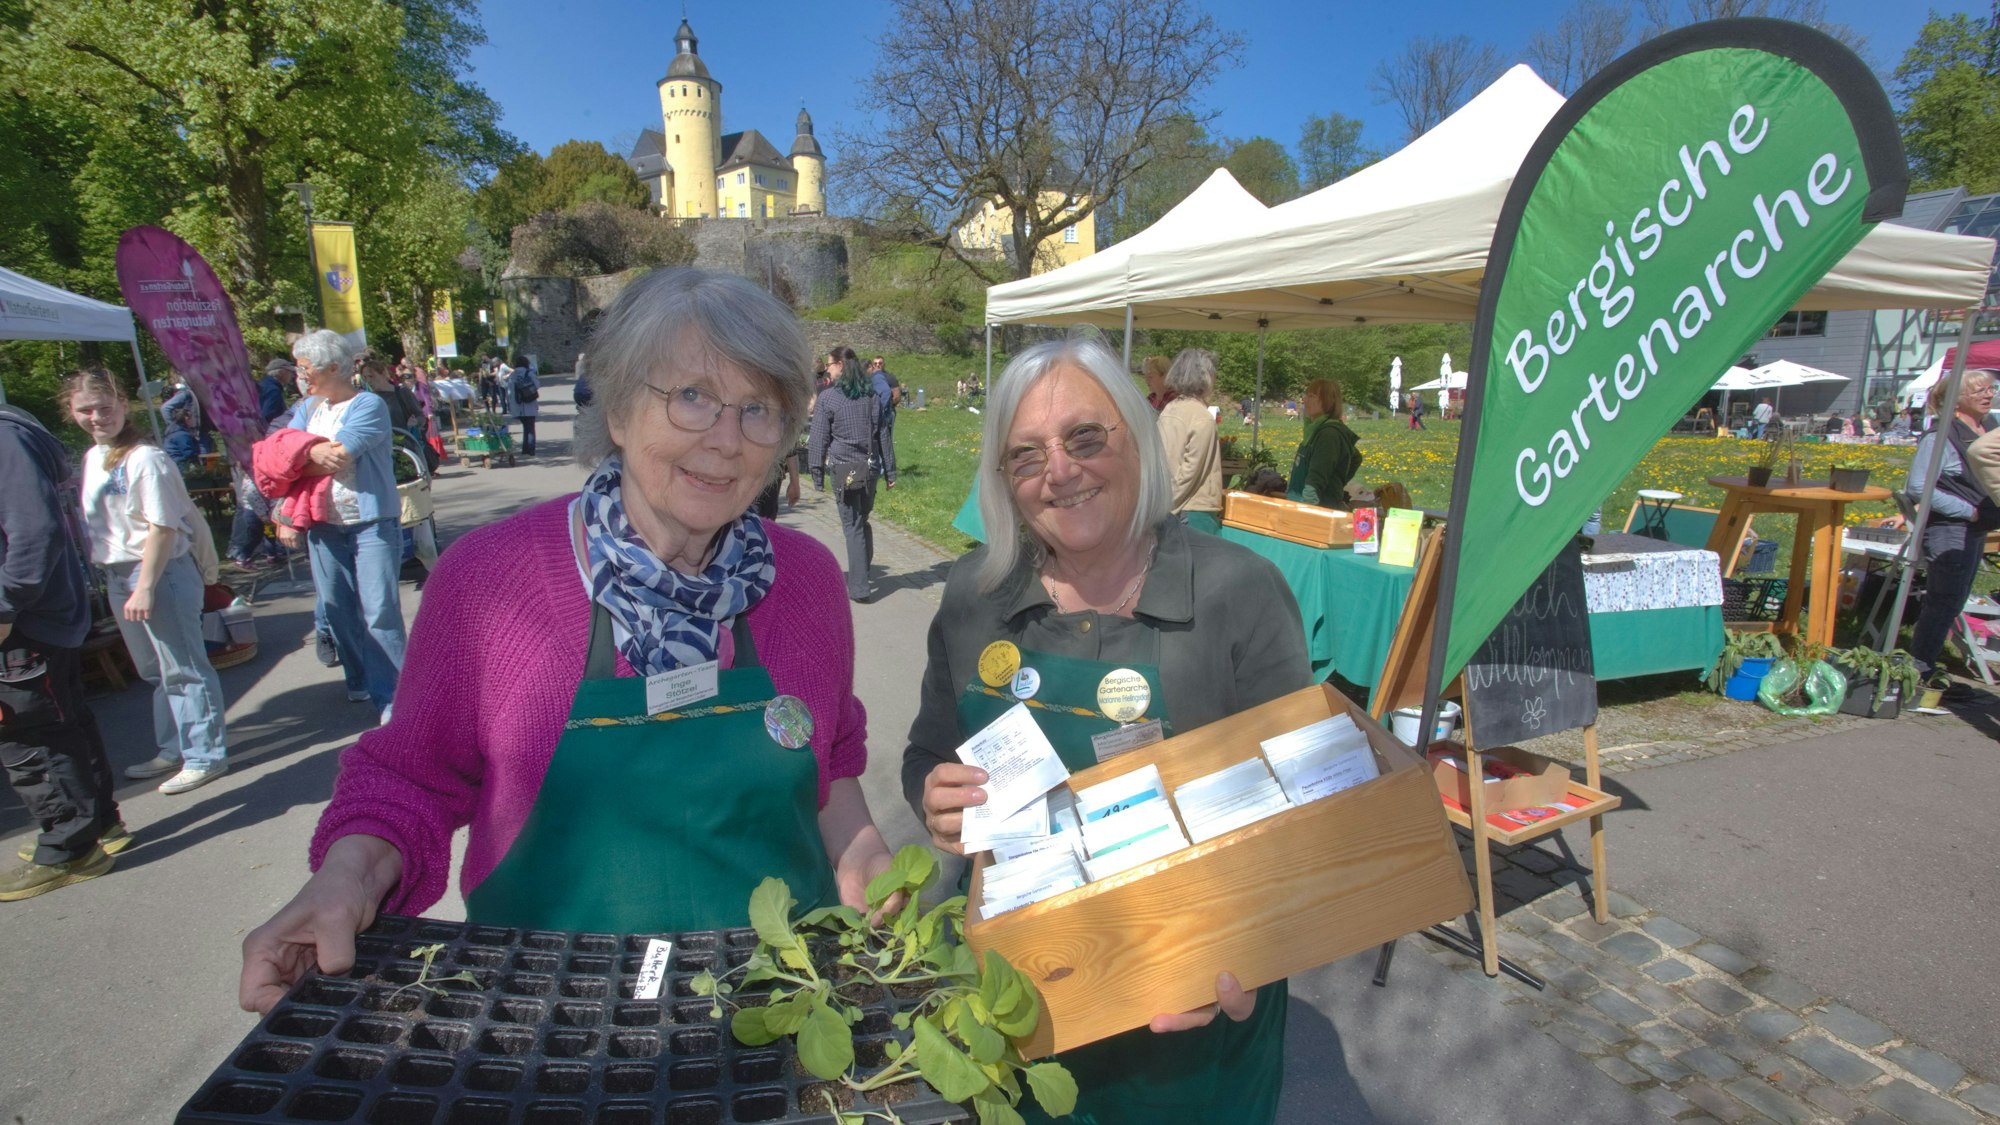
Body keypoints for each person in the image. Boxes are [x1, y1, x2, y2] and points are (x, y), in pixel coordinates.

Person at [239, 267, 896, 1011]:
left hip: (780, 1013)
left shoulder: (806, 580)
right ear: (617, 409)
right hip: (554, 1026)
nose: (726, 440)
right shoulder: (489, 580)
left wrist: (863, 851)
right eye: (691, 397)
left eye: (758, 409)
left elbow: (830, 759)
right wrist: (346, 879)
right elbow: (410, 779)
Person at [905, 339, 1308, 1125]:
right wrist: (933, 792)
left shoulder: (1239, 592)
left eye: (1085, 438)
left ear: (1136, 435)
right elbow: (928, 749)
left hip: (1189, 1034)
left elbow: (1301, 810)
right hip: (1011, 1013)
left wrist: (1242, 946)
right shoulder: (973, 595)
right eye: (1026, 455)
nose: (1059, 470)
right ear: (1003, 481)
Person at [65, 370, 231, 795]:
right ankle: (175, 746)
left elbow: (163, 528)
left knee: (184, 667)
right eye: (86, 410)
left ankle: (205, 755)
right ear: (72, 412)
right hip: (121, 574)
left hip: (158, 572)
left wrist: (145, 585)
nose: (97, 417)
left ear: (123, 406)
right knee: (155, 670)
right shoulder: (94, 458)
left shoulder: (145, 458)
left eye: (106, 408)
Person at [0, 403, 127, 899]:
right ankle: (95, 824)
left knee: (33, 734)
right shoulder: (14, 434)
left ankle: (70, 847)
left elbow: (35, 533)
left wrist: (6, 606)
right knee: (62, 722)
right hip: (38, 614)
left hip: (24, 620)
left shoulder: (6, 440)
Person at [286, 330, 408, 722]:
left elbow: (338, 458)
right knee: (338, 609)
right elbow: (278, 455)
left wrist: (308, 453)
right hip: (323, 524)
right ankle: (359, 678)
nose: (299, 375)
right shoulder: (307, 409)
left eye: (304, 368)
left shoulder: (367, 405)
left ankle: (393, 696)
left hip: (370, 522)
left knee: (379, 611)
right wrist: (307, 456)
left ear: (332, 368)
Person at [1904, 368, 2000, 702]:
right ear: (1954, 400)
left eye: (1990, 388)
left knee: (1954, 600)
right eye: (1978, 391)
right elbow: (1917, 487)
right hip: (1950, 528)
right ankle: (1919, 671)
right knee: (1943, 600)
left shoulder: (1988, 428)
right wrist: (1968, 511)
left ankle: (1926, 666)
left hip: (1975, 529)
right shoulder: (1940, 436)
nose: (1988, 395)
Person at [811, 345, 886, 602]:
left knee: (852, 526)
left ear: (840, 365)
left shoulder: (828, 398)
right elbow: (883, 435)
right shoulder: (872, 396)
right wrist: (892, 471)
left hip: (845, 470)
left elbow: (818, 438)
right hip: (870, 468)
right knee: (862, 520)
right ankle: (862, 571)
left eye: (830, 365)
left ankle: (859, 587)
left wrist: (816, 472)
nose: (828, 369)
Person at [1155, 348, 1224, 530]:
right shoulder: (1201, 416)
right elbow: (1191, 470)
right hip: (1194, 509)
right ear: (1206, 377)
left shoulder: (1169, 409)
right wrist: (1171, 505)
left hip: (1170, 503)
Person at [1288, 379, 1363, 508]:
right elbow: (1355, 456)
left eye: (1312, 396)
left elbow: (1315, 479)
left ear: (1328, 401)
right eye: (1306, 395)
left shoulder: (1329, 434)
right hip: (1299, 502)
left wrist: (1308, 506)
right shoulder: (1316, 429)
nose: (1304, 400)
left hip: (1317, 506)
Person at [869, 356, 902, 486]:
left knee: (886, 441)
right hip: (874, 413)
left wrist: (884, 406)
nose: (878, 365)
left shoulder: (890, 378)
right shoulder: (870, 378)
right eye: (875, 363)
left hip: (887, 413)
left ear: (884, 364)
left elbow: (896, 396)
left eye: (880, 363)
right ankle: (877, 468)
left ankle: (885, 470)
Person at [258, 359, 293, 423]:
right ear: (281, 373)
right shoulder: (273, 391)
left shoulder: (264, 384)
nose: (291, 375)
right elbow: (268, 415)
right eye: (289, 371)